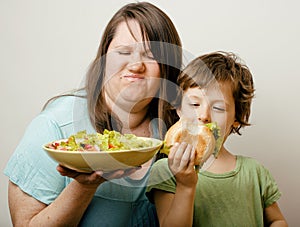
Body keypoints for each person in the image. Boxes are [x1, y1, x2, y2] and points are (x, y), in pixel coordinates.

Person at [4, 2, 183, 226]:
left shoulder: (174, 131)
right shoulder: (54, 126)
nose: (136, 66)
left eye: (150, 55)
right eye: (123, 52)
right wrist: (85, 185)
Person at [146, 52, 288, 226]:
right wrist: (185, 185)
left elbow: (277, 220)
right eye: (194, 104)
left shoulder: (255, 172)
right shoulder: (165, 171)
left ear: (237, 117)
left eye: (219, 108)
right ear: (179, 109)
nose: (203, 116)